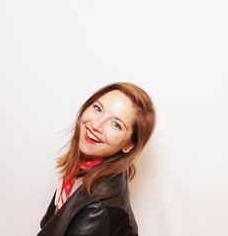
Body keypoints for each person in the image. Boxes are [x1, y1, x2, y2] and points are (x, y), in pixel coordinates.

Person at [37, 82, 156, 236]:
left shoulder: (99, 208)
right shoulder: (82, 167)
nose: (96, 125)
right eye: (98, 108)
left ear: (129, 145)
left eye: (116, 124)